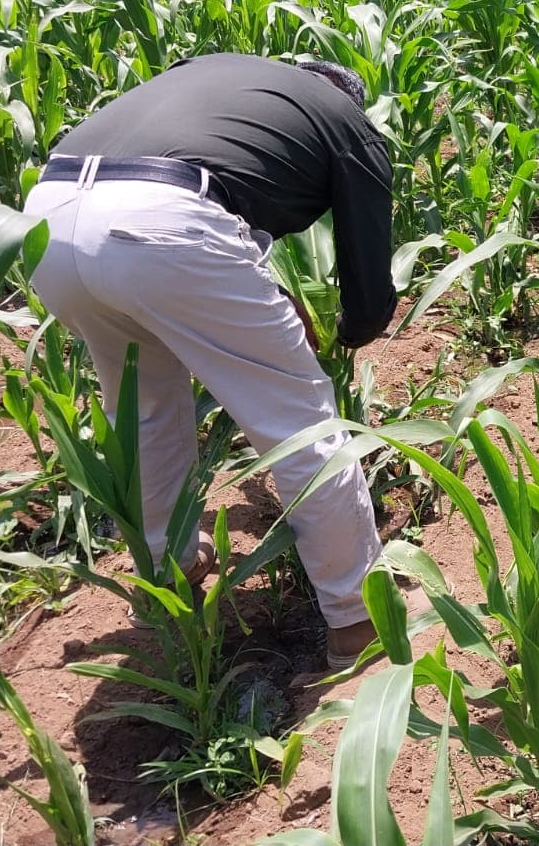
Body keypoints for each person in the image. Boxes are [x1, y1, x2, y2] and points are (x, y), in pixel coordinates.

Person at [23, 54, 395, 670]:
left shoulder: (230, 83)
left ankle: (168, 568)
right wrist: (349, 336)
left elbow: (219, 210)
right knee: (298, 422)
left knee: (140, 407)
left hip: (49, 218)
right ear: (346, 97)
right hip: (163, 222)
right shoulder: (344, 121)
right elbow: (368, 287)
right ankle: (357, 618)